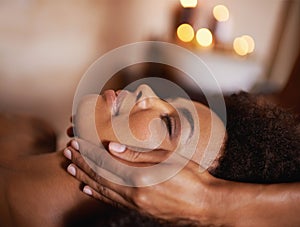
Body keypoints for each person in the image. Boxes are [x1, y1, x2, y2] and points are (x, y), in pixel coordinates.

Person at [64, 84, 300, 226]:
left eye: (168, 125)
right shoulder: (31, 131)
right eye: (167, 100)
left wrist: (210, 202)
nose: (145, 89)